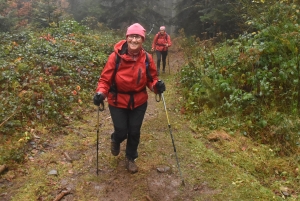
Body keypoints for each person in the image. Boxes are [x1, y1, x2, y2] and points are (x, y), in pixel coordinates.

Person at [93, 23, 166, 174]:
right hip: (117, 100)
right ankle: (115, 139)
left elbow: (151, 79)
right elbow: (105, 80)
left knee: (134, 131)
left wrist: (157, 86)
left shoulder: (147, 58)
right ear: (126, 38)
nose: (134, 40)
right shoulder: (115, 57)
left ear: (142, 39)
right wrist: (101, 93)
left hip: (139, 101)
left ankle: (130, 158)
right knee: (121, 131)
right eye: (132, 36)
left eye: (137, 37)